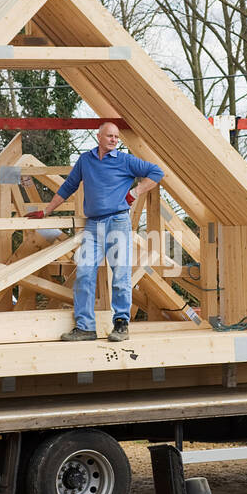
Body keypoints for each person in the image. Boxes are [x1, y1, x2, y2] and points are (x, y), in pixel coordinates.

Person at [28, 123, 163, 342]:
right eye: (109, 136)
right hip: (93, 224)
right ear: (98, 136)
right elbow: (68, 186)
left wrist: (135, 192)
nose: (113, 140)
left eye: (116, 137)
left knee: (120, 275)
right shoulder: (85, 160)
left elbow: (157, 172)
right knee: (84, 273)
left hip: (118, 221)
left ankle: (121, 325)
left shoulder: (125, 161)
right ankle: (85, 327)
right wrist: (46, 211)